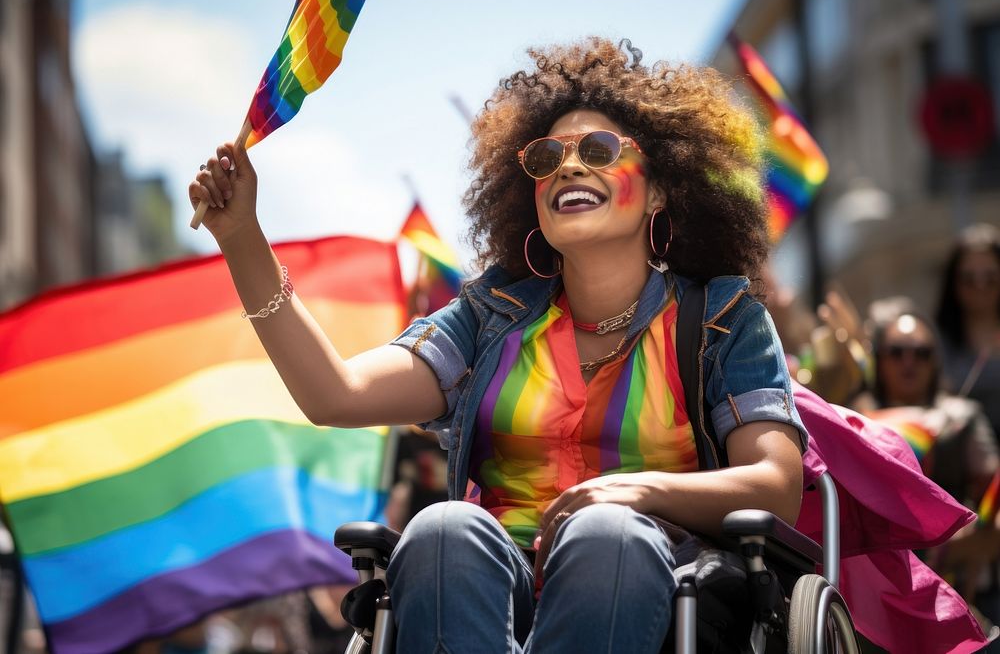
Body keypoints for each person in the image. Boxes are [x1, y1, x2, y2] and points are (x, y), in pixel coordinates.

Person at [189, 38, 806, 653]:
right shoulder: (491, 317)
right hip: (485, 599)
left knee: (607, 535)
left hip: (665, 592)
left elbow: (777, 484)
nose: (568, 166)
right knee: (441, 528)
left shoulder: (724, 318)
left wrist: (635, 493)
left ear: (661, 188)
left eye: (598, 150)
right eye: (545, 157)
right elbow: (334, 395)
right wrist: (241, 234)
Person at [856, 304, 1000, 644]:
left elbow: (994, 504)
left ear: (935, 359)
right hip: (875, 595)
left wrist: (954, 547)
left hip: (956, 590)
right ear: (879, 359)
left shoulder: (960, 416)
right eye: (897, 352)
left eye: (921, 352)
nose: (909, 361)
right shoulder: (854, 417)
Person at [936, 223, 1000, 437]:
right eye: (969, 279)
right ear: (954, 283)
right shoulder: (934, 344)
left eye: (989, 278)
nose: (980, 286)